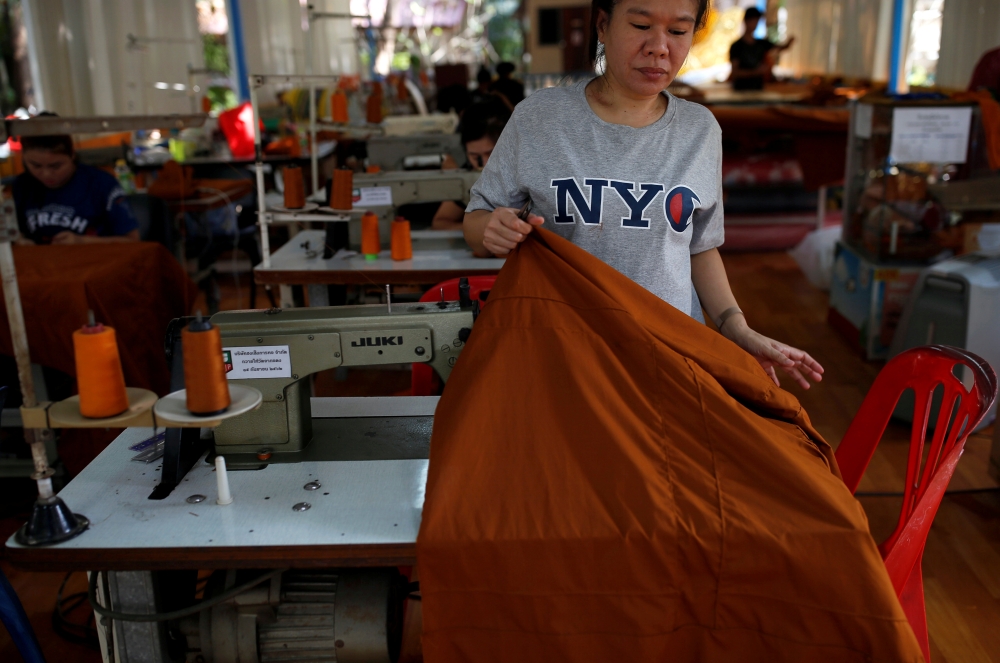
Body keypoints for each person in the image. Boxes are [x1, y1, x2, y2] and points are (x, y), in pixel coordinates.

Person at [463, 0, 823, 389]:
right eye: (640, 25)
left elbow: (700, 248)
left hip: (669, 361)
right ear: (602, 25)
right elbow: (476, 219)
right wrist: (491, 228)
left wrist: (735, 327)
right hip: (566, 359)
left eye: (678, 31)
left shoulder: (699, 130)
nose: (659, 47)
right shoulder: (541, 118)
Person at [13, 117, 139, 245]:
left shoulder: (101, 184)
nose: (46, 174)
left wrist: (82, 241)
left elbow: (132, 240)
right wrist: (20, 242)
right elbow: (14, 233)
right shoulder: (22, 186)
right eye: (36, 166)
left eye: (56, 166)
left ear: (72, 155)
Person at [432, 102, 511, 230]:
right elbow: (441, 223)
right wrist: (479, 230)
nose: (484, 164)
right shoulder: (469, 178)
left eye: (491, 154)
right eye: (475, 156)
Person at [728, 7, 794, 91]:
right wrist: (756, 72)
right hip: (741, 90)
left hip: (758, 88)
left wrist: (789, 43)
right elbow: (735, 73)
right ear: (746, 21)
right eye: (753, 20)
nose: (755, 24)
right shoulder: (737, 46)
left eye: (757, 21)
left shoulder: (761, 43)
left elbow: (781, 47)